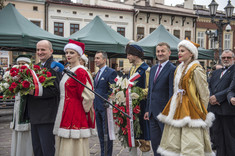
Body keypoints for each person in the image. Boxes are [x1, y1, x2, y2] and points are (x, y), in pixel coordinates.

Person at [157, 40, 215, 155]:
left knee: (191, 141)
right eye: (179, 51)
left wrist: (201, 110)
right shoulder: (179, 68)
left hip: (191, 108)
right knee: (174, 140)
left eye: (183, 51)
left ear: (191, 53)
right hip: (177, 106)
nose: (179, 53)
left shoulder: (196, 69)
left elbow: (204, 92)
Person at [53, 39, 96, 156]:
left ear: (79, 55)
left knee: (72, 145)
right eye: (66, 52)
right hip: (64, 110)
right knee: (65, 142)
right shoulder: (69, 71)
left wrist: (82, 111)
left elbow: (88, 96)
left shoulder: (81, 72)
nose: (68, 55)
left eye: (71, 52)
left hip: (74, 112)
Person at [27, 40, 62, 156]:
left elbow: (56, 90)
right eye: (38, 50)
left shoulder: (54, 67)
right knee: (37, 149)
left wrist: (34, 92)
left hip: (47, 116)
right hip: (35, 114)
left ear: (51, 51)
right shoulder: (36, 67)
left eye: (43, 49)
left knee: (47, 150)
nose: (39, 52)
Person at [144, 42, 176, 156]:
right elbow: (150, 91)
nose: (160, 53)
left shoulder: (172, 69)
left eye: (163, 51)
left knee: (166, 145)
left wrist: (170, 112)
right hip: (153, 113)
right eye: (158, 51)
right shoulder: (153, 69)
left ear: (169, 52)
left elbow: (171, 93)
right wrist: (148, 109)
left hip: (164, 113)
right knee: (155, 144)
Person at [208, 50, 235, 156]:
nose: (226, 59)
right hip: (215, 110)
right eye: (224, 57)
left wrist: (218, 97)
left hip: (228, 110)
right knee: (217, 138)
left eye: (229, 57)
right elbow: (209, 85)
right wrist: (211, 97)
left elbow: (231, 88)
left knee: (230, 140)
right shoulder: (216, 72)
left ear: (233, 59)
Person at [126, 44, 151, 156]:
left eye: (129, 54)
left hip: (142, 106)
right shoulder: (132, 69)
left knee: (143, 138)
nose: (128, 57)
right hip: (131, 107)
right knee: (132, 136)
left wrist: (137, 94)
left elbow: (149, 89)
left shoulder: (146, 69)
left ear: (136, 55)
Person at [94, 51, 117, 156]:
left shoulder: (111, 72)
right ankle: (103, 152)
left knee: (106, 133)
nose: (95, 60)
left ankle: (107, 154)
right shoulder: (97, 73)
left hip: (105, 107)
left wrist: (107, 100)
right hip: (97, 106)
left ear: (104, 60)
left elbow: (113, 89)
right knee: (100, 133)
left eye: (98, 58)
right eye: (95, 58)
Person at [10, 55, 33, 156]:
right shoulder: (14, 77)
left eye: (23, 64)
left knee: (27, 133)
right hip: (17, 107)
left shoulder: (31, 76)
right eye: (19, 64)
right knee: (17, 132)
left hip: (27, 109)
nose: (20, 66)